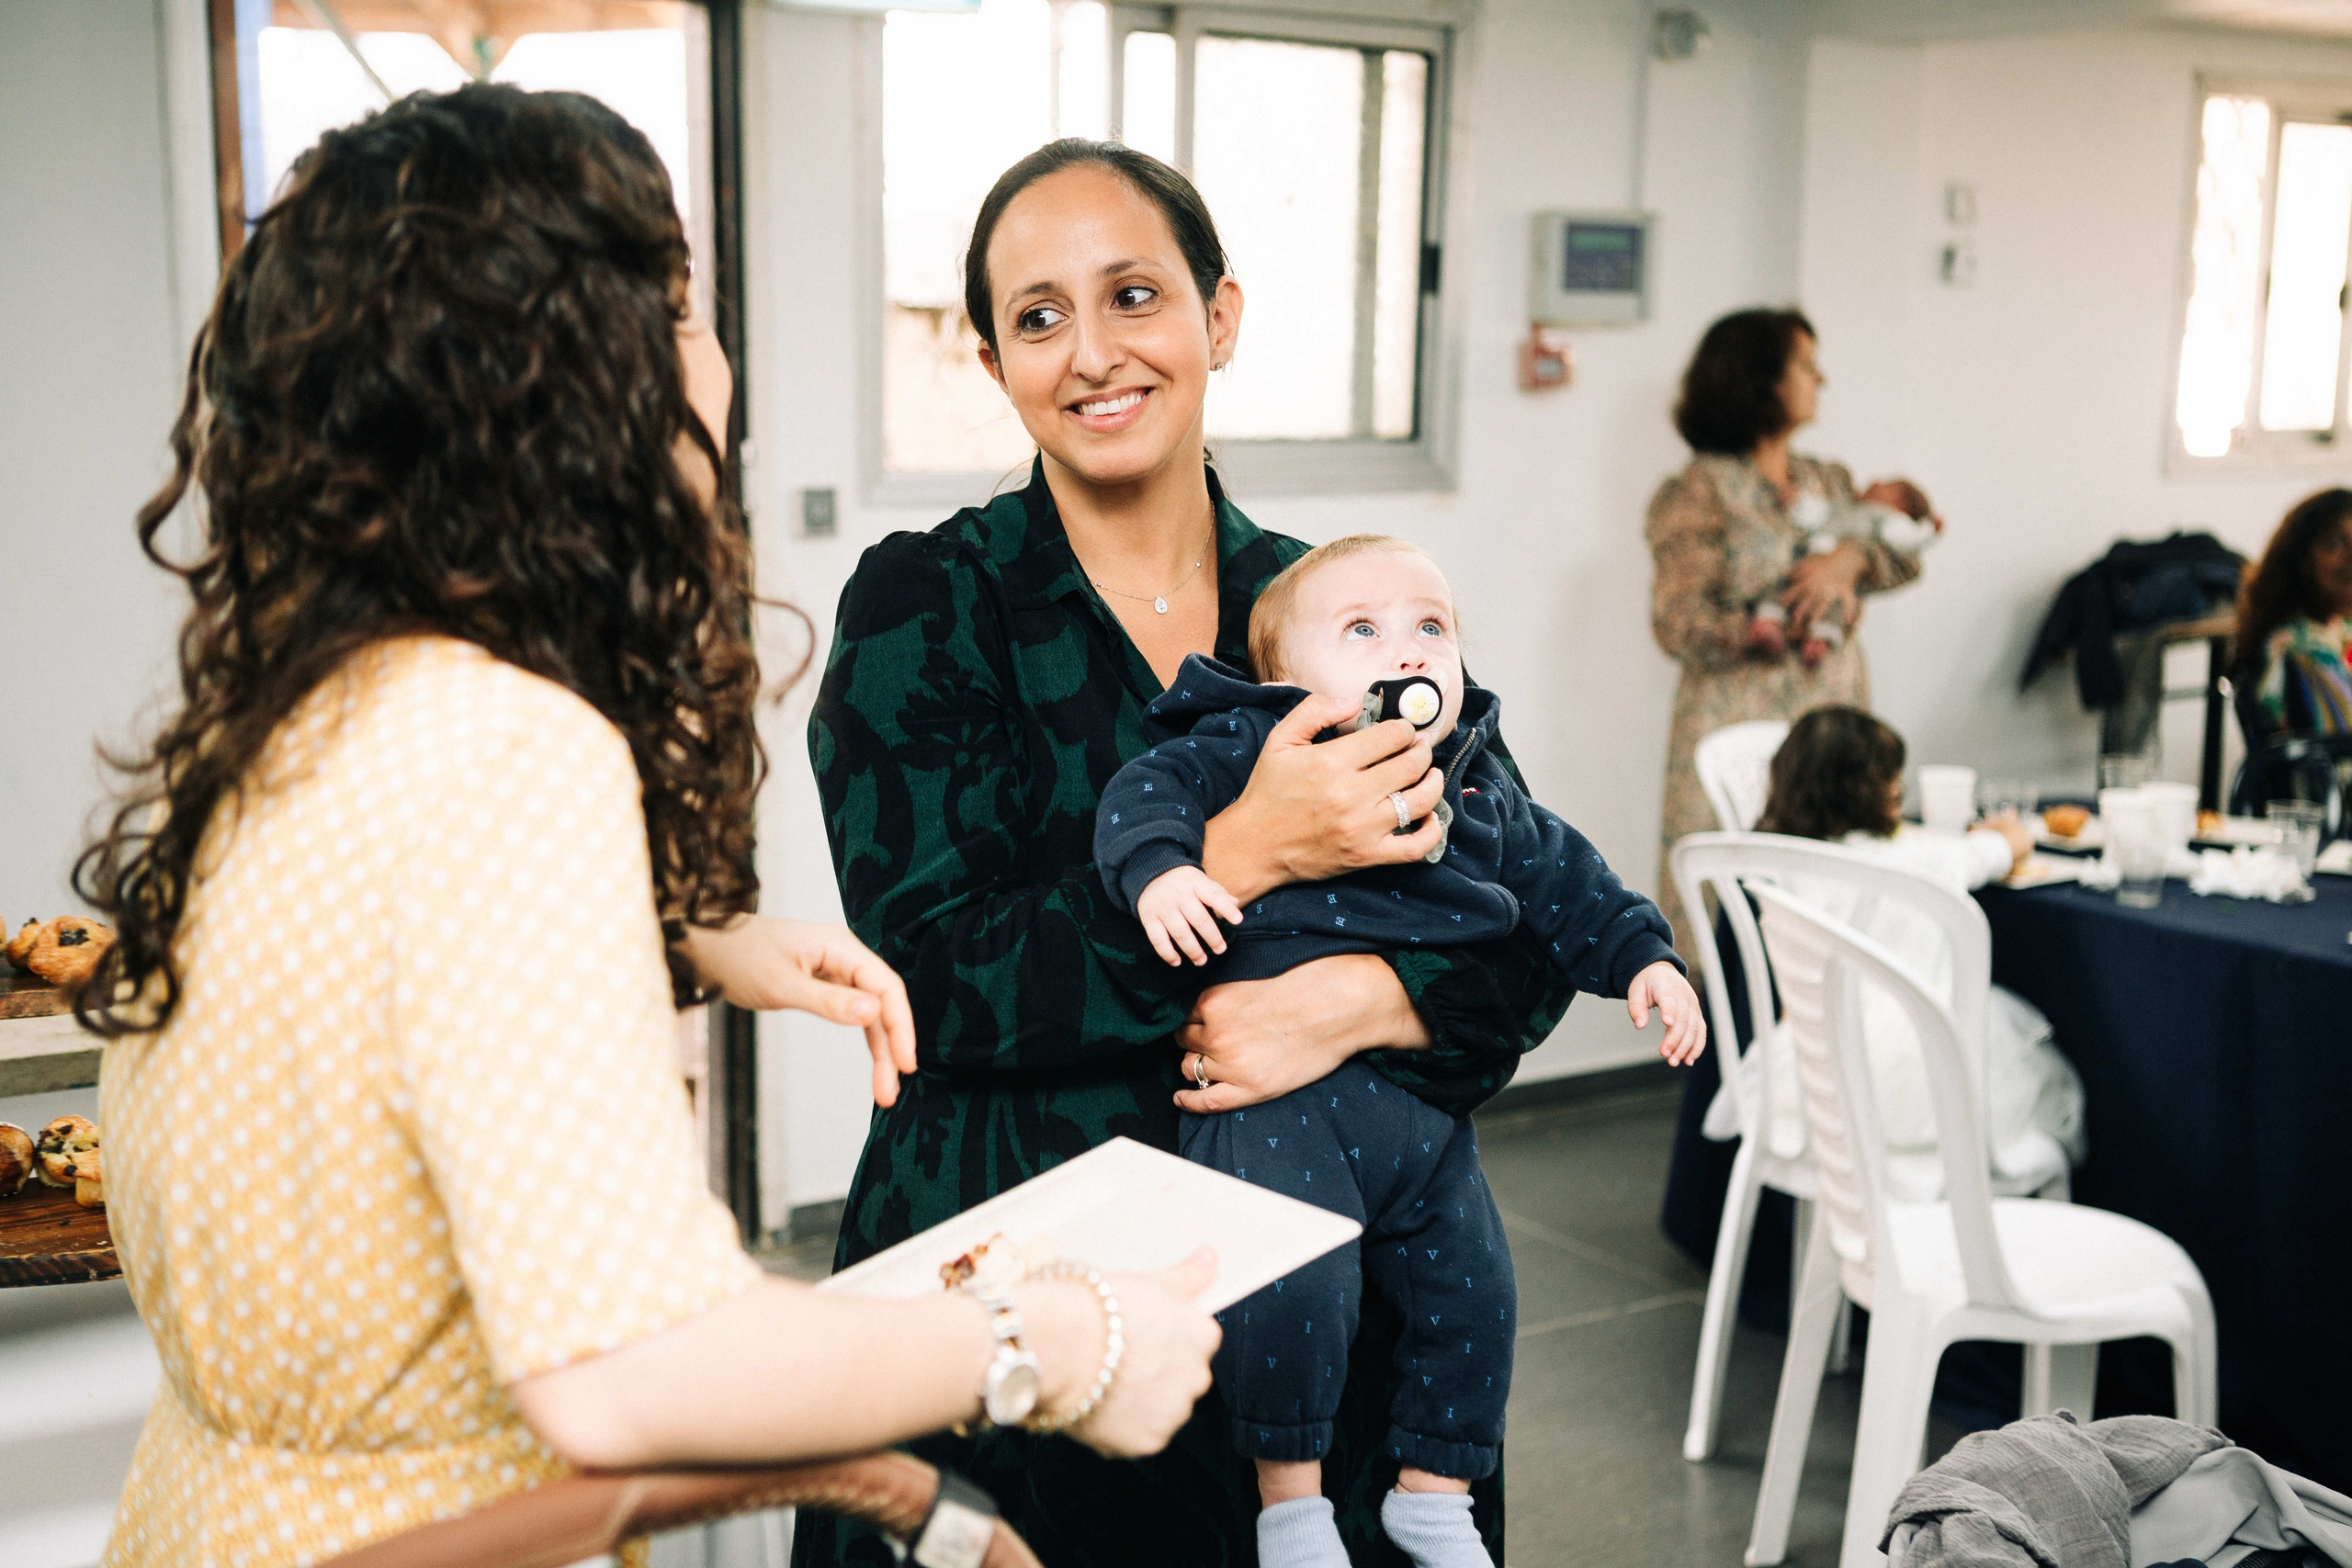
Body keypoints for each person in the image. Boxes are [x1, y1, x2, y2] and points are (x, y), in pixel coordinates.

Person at [72, 87, 1217, 1568]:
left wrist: (679, 941)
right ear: (571, 388)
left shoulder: (293, 710)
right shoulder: (509, 751)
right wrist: (1054, 1333)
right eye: (679, 310)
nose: (713, 361)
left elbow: (351, 987)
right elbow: (630, 1367)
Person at [804, 141, 1576, 1567]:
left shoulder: (1337, 605)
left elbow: (1527, 924)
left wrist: (1359, 1003)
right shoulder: (934, 603)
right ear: (991, 357)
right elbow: (944, 970)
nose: (1092, 353)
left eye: (1134, 296)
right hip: (1025, 1303)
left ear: (1219, 319)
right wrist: (1248, 847)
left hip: (1329, 1295)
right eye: (1037, 317)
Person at [1091, 533, 1704, 1568]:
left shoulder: (1472, 785)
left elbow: (1571, 886)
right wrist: (1162, 872)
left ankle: (1434, 1490)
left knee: (1477, 1289)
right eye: (1364, 631)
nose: (1409, 650)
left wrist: (1645, 956)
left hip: (1420, 1118)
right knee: (1295, 1293)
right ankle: (1289, 1507)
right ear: (1288, 680)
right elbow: (1146, 796)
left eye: (1432, 627)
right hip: (1275, 1111)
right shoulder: (1252, 742)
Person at [1646, 308, 1933, 955]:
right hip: (1733, 729)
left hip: (1831, 725)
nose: (1820, 378)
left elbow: (1902, 555)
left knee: (1835, 910)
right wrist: (1761, 625)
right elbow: (1675, 622)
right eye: (1805, 365)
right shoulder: (1700, 491)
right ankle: (1718, 1054)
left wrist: (1847, 561)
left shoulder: (1827, 480)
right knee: (1731, 921)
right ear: (1758, 378)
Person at [1744, 706, 2085, 1192]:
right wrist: (2008, 832)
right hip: (1919, 1077)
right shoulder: (1919, 858)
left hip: (1813, 1072)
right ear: (1872, 791)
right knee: (2031, 1089)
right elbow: (2005, 849)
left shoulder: (1778, 863)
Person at [2233, 487, 2352, 737]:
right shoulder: (2302, 649)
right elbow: (2341, 758)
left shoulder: (2336, 628)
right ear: (2301, 561)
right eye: (2335, 544)